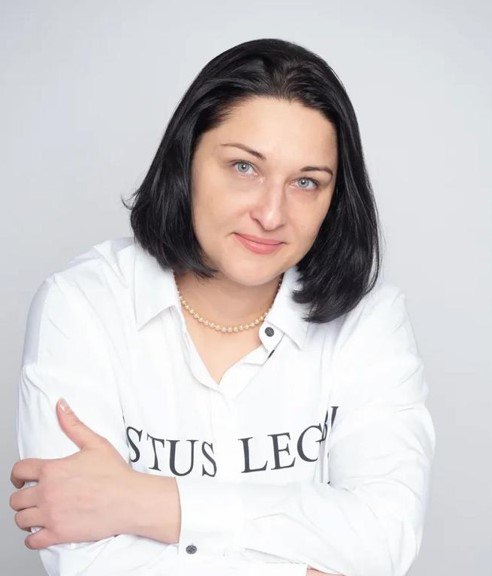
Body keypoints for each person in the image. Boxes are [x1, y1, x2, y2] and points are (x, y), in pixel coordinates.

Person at [9, 38, 436, 576]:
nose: (272, 214)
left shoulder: (370, 319)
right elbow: (85, 559)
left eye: (306, 182)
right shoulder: (83, 306)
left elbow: (385, 538)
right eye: (244, 167)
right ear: (186, 159)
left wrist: (152, 503)